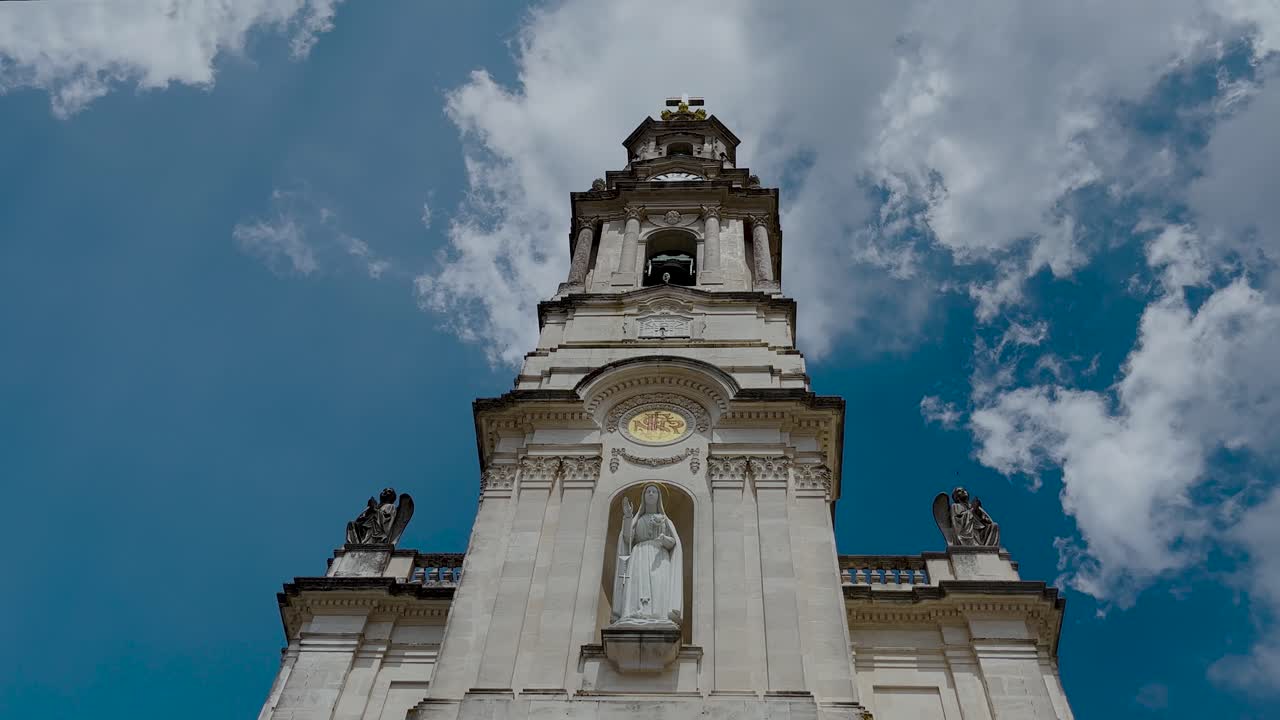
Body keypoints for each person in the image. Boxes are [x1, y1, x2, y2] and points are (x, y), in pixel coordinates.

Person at [611, 484, 683, 627]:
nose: (651, 494)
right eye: (648, 491)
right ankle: (635, 613)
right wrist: (627, 517)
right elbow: (627, 539)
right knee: (638, 584)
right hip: (640, 555)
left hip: (659, 557)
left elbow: (673, 542)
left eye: (654, 491)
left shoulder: (665, 520)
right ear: (644, 496)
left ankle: (660, 614)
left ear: (659, 497)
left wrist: (664, 539)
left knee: (659, 584)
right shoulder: (637, 519)